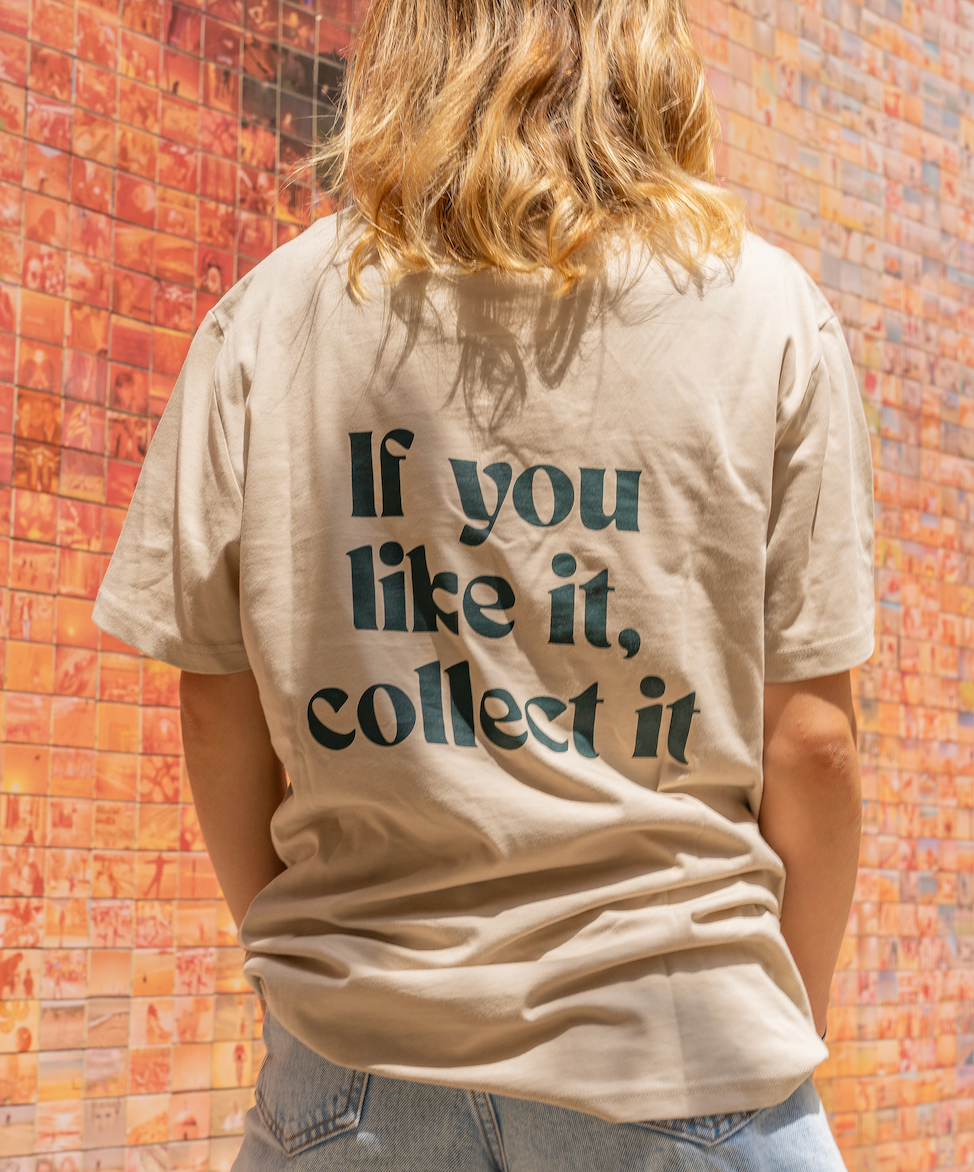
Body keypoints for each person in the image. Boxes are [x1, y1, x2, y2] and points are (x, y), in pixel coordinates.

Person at [91, 0, 875, 1166]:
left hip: (352, 1066)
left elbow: (215, 702)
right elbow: (811, 741)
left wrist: (316, 967)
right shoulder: (765, 312)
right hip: (678, 1039)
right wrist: (773, 1014)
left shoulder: (271, 311)